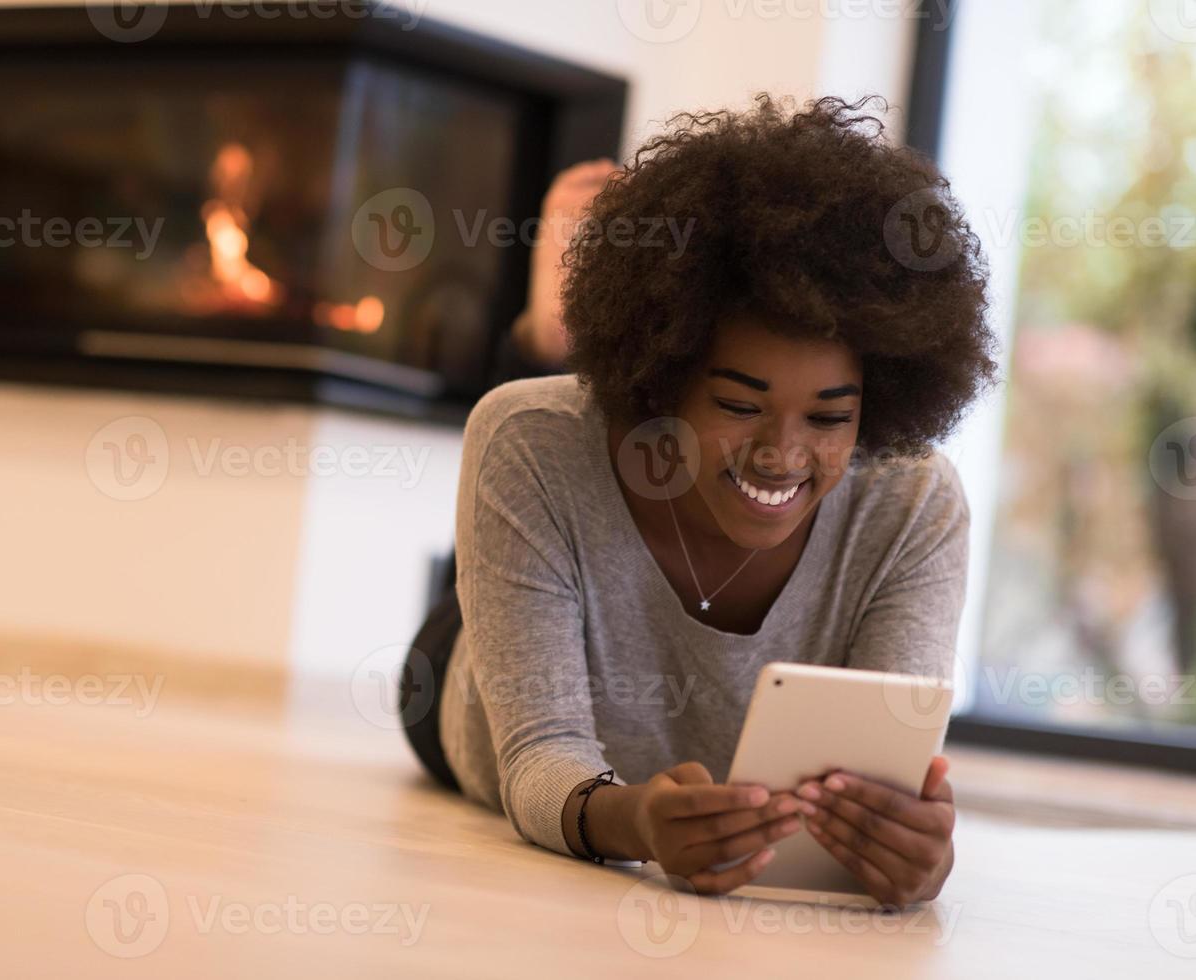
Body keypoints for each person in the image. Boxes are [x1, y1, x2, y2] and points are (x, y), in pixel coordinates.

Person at [401, 95, 998, 909]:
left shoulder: (910, 503)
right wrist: (630, 824)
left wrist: (912, 853)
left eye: (828, 416)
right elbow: (540, 757)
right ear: (661, 375)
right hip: (467, 687)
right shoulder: (527, 440)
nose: (782, 454)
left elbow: (881, 783)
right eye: (739, 405)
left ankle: (560, 335)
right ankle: (547, 342)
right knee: (531, 441)